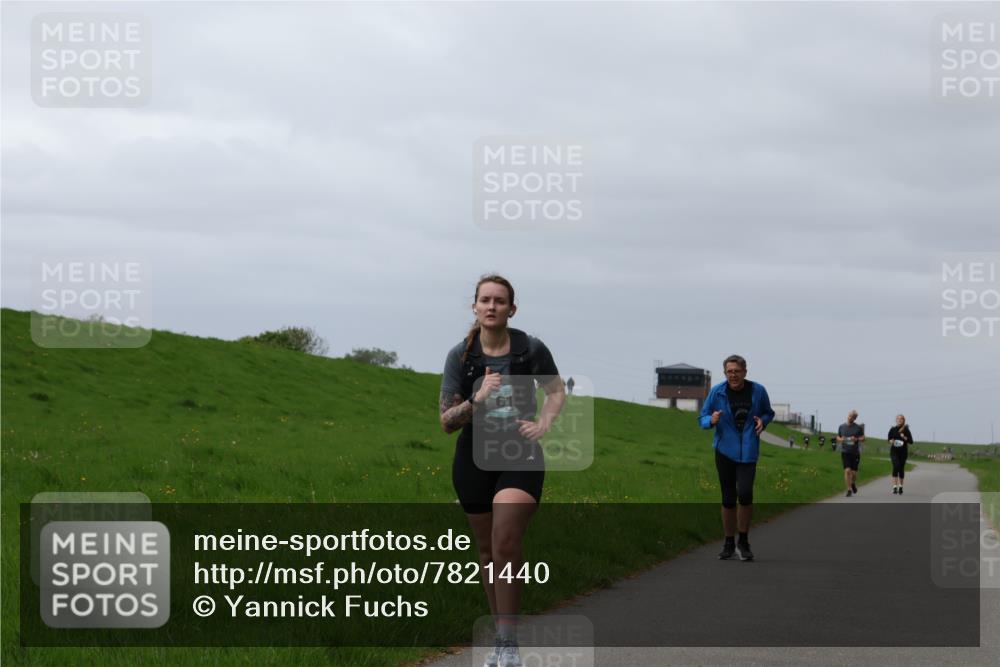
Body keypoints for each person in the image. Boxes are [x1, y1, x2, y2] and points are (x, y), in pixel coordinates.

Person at [439, 274, 565, 667]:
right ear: (474, 307)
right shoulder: (461, 356)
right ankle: (501, 635)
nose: (491, 306)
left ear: (512, 309)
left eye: (499, 301)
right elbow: (446, 421)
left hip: (520, 453)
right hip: (472, 458)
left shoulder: (531, 350)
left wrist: (544, 423)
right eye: (485, 300)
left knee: (505, 538)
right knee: (488, 551)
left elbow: (556, 390)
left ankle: (509, 643)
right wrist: (477, 399)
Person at [699, 354, 776, 561]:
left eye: (737, 371)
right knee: (728, 498)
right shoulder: (717, 392)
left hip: (749, 451)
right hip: (724, 450)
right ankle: (728, 542)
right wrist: (711, 420)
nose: (733, 375)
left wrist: (763, 421)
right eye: (729, 371)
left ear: (745, 372)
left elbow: (769, 412)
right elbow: (702, 417)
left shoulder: (758, 391)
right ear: (725, 373)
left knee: (745, 494)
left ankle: (743, 541)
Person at [836, 410, 866, 497]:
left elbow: (863, 438)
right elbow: (838, 437)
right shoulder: (841, 427)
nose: (850, 418)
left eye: (852, 417)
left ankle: (853, 483)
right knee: (847, 470)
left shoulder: (858, 428)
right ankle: (849, 490)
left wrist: (857, 439)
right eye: (849, 416)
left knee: (854, 473)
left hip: (855, 453)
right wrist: (841, 439)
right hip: (845, 452)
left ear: (855, 418)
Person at [887, 414, 914, 495]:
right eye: (898, 419)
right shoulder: (893, 429)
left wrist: (904, 437)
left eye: (901, 419)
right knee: (896, 465)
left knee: (901, 468)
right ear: (896, 420)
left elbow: (911, 441)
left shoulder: (906, 430)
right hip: (894, 451)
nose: (899, 420)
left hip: (903, 452)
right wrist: (891, 441)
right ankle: (894, 486)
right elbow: (889, 439)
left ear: (903, 421)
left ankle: (901, 486)